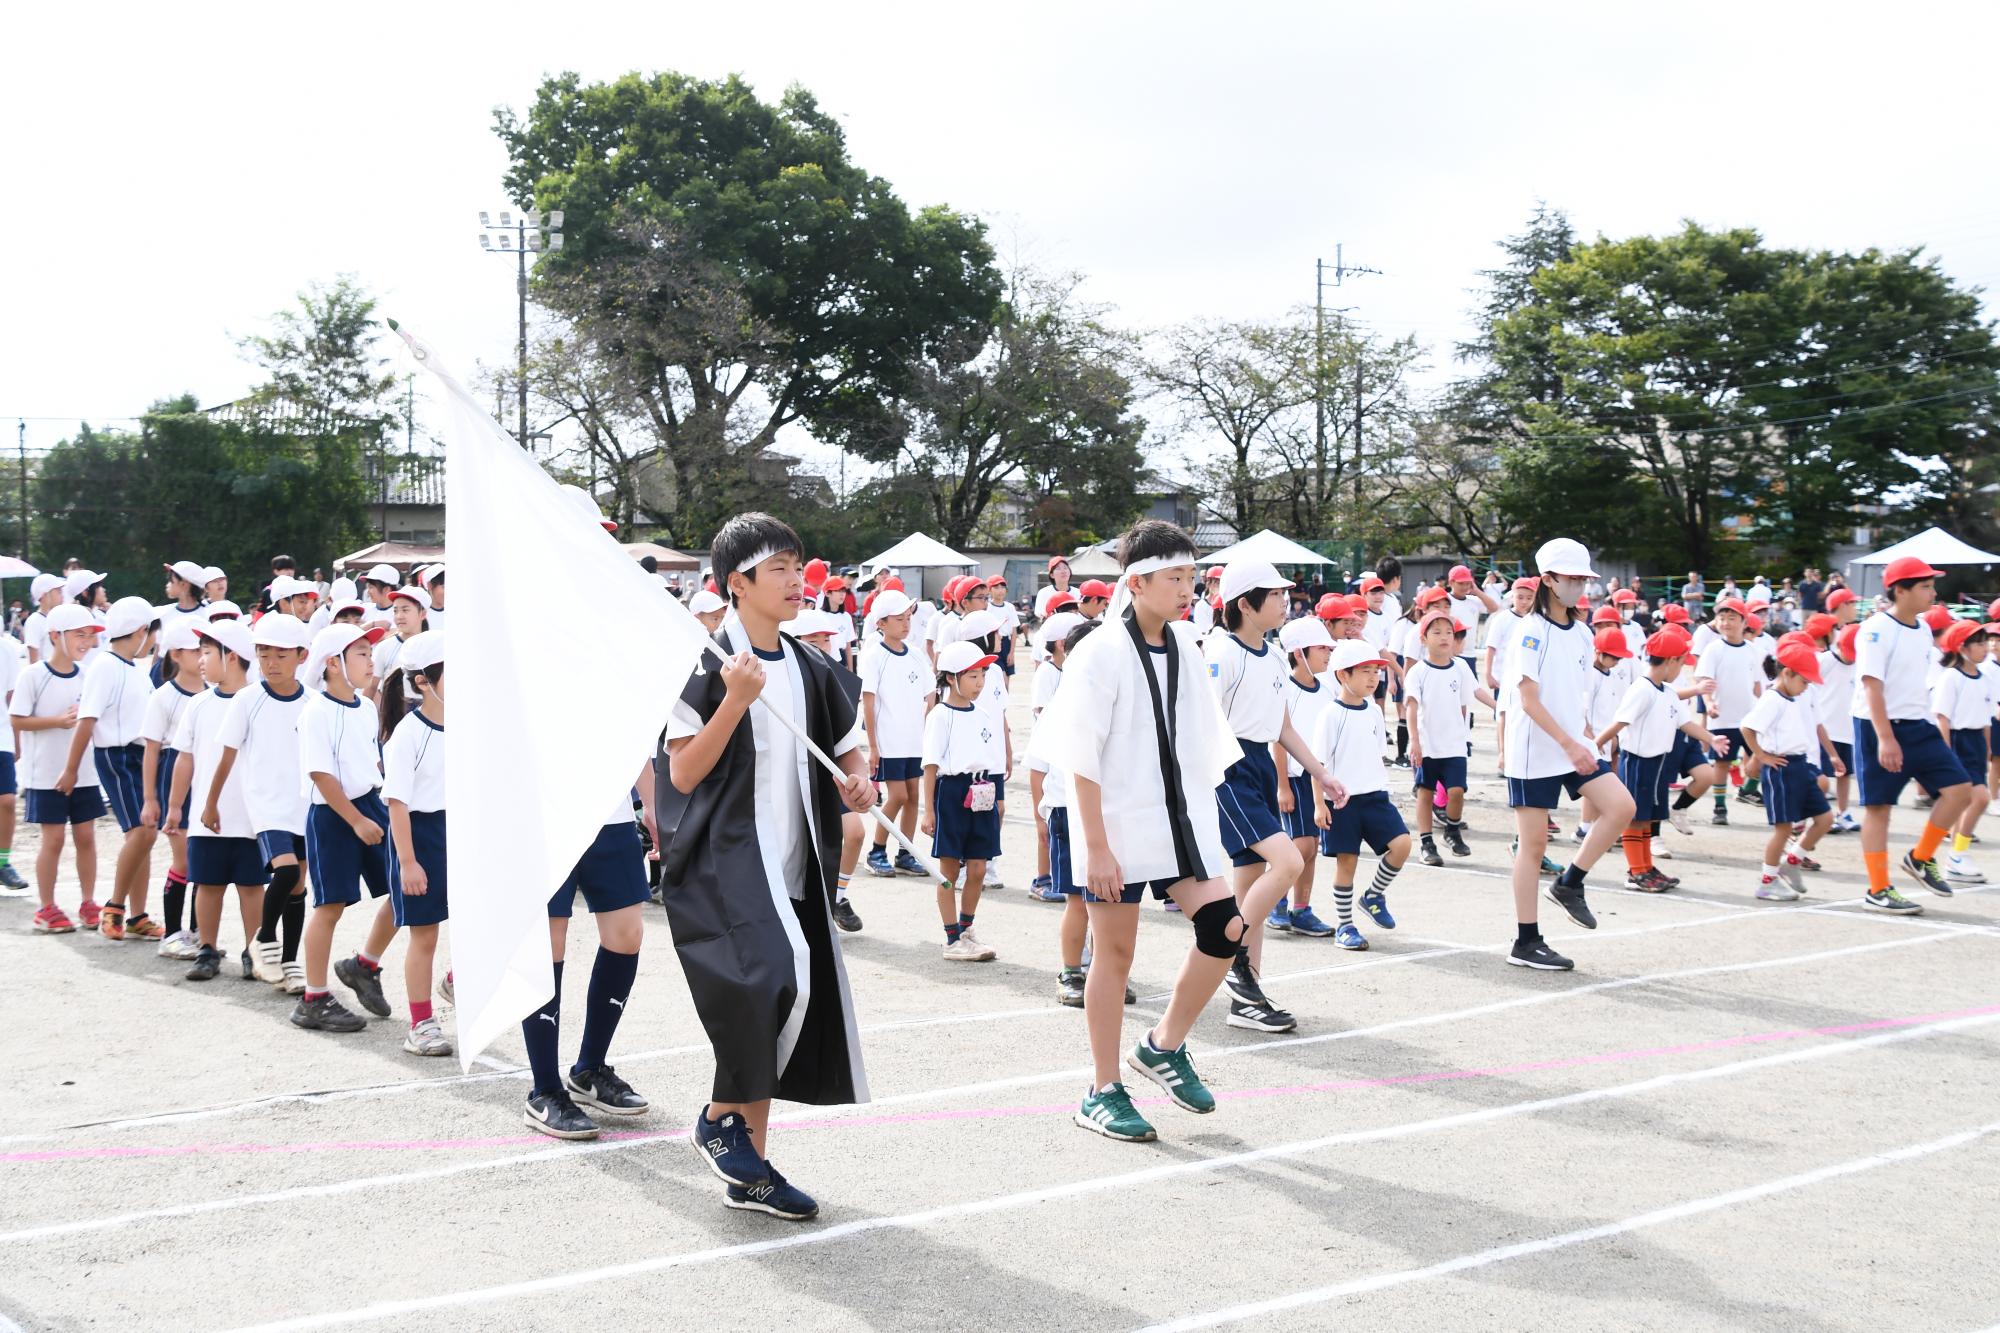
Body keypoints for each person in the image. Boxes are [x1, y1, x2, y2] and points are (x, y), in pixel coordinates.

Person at [1031, 520, 1294, 1144]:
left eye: (1191, 577)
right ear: (1136, 582)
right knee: (1115, 955)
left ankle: (1163, 1045)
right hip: (1111, 822)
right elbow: (1080, 756)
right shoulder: (1100, 650)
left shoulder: (1185, 644)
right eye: (1174, 577)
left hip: (1176, 818)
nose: (1186, 589)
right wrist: (1097, 848)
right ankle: (1101, 1090)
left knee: (1225, 928)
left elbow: (1203, 741)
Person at [659, 513, 875, 1219]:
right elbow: (682, 772)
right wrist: (734, 703)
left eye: (795, 565)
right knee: (770, 979)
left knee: (784, 997)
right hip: (725, 861)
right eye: (777, 568)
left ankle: (747, 1167)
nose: (794, 579)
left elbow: (848, 746)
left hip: (795, 859)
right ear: (737, 583)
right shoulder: (707, 663)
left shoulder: (811, 665)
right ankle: (719, 1120)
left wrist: (859, 780)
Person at [1205, 560, 1346, 1032]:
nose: (1286, 601)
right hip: (1229, 768)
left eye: (1285, 594)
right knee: (1289, 862)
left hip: (1261, 765)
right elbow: (1202, 722)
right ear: (1245, 605)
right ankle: (1232, 957)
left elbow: (1283, 727)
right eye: (1275, 595)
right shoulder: (1221, 650)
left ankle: (1247, 998)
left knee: (1251, 886)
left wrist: (1322, 774)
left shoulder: (1272, 655)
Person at [1499, 539, 1637, 971]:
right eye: (1572, 578)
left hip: (1573, 743)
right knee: (1533, 845)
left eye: (1583, 578)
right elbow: (1528, 700)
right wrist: (1569, 743)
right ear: (1548, 580)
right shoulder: (1530, 630)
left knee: (1622, 806)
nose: (1580, 585)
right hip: (1534, 748)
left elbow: (1576, 696)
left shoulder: (1582, 631)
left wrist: (1586, 737)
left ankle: (1570, 882)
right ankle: (1526, 942)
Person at [1850, 556, 1972, 913]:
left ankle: (1920, 858)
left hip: (1919, 724)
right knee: (1879, 808)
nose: (1933, 593)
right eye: (1925, 586)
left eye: (1933, 585)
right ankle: (1878, 889)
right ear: (1900, 591)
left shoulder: (1921, 629)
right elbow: (1872, 687)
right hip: (1878, 726)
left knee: (1960, 790)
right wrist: (1886, 738)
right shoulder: (1875, 629)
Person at [292, 624, 394, 1034]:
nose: (371, 660)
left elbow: (372, 763)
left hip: (370, 804)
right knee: (330, 906)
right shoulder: (316, 712)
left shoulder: (366, 707)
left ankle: (364, 965)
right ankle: (313, 999)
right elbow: (320, 774)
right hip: (333, 815)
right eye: (362, 653)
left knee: (407, 887)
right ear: (333, 663)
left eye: (370, 653)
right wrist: (355, 820)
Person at [206, 613, 315, 993]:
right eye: (264, 654)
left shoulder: (314, 702)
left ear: (302, 656)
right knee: (285, 873)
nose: (271, 663)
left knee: (298, 887)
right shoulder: (247, 700)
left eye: (281, 655)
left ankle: (290, 964)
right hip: (267, 807)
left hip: (305, 806)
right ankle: (264, 938)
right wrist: (210, 803)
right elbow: (226, 756)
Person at [170, 618, 267, 982]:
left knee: (251, 887)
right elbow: (185, 758)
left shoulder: (259, 701)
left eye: (207, 653)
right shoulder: (198, 704)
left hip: (251, 815)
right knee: (208, 885)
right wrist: (176, 806)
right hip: (206, 817)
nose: (200, 661)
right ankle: (207, 949)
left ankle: (254, 950)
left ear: (232, 657)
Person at [64, 597, 162, 941]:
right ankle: (115, 907)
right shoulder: (104, 666)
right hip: (116, 756)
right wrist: (71, 769)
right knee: (141, 832)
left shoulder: (135, 669)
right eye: (153, 634)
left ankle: (138, 915)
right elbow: (87, 720)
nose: (154, 642)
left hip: (140, 756)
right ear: (141, 631)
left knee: (145, 834)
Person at [1598, 627, 1724, 892]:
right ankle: (1636, 871)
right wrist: (1596, 745)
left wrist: (1711, 739)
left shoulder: (1667, 692)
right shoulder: (1642, 689)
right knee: (1635, 817)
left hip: (1657, 764)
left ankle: (1645, 867)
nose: (1681, 670)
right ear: (1670, 661)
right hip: (1638, 762)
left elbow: (1686, 723)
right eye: (1681, 663)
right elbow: (1619, 722)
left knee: (1648, 817)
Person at [1311, 638, 1410, 952]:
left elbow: (1377, 753)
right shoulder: (1330, 714)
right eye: (1365, 671)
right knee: (1347, 863)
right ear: (1343, 674)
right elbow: (1317, 764)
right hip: (1342, 802)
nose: (1373, 678)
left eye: (1376, 671)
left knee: (1402, 845)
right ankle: (1345, 926)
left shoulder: (1374, 711)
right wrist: (1319, 804)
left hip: (1375, 797)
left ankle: (1373, 895)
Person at [14, 604, 106, 932]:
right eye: (79, 635)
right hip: (46, 774)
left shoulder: (89, 674)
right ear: (55, 636)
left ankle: (88, 902)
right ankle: (47, 907)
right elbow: (17, 719)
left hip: (85, 772)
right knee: (53, 840)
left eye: (89, 635)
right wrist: (57, 721)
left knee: (86, 837)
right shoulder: (33, 675)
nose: (86, 642)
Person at [381, 630, 452, 1056]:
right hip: (419, 838)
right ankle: (421, 1024)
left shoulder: (469, 725)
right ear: (424, 681)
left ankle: (457, 982)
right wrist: (407, 861)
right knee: (424, 936)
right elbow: (397, 804)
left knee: (483, 918)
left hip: (458, 834)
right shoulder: (408, 734)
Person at [921, 640, 1006, 960]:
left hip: (983, 792)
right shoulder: (940, 716)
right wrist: (928, 811)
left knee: (979, 868)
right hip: (952, 793)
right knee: (949, 871)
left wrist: (998, 800)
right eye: (972, 676)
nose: (979, 683)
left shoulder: (983, 715)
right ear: (951, 678)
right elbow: (930, 766)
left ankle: (967, 928)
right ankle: (952, 938)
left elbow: (993, 761)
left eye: (983, 675)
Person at [1740, 643, 1835, 902]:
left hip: (1800, 765)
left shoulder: (1791, 697)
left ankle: (1792, 861)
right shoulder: (1772, 699)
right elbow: (1747, 728)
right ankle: (1767, 882)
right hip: (1781, 769)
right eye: (1804, 681)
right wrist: (1761, 756)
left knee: (1825, 818)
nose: (1806, 687)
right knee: (1783, 830)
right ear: (1787, 673)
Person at [792, 609, 865, 932]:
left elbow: (849, 744)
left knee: (855, 832)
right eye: (813, 640)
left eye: (826, 640)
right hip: (796, 779)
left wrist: (860, 776)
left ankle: (837, 896)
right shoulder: (781, 676)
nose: (822, 646)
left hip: (832, 774)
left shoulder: (836, 678)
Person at [1266, 616, 1338, 935]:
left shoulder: (1327, 691)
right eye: (1322, 648)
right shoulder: (1286, 689)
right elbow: (1279, 739)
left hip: (1315, 780)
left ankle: (1302, 909)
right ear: (1299, 653)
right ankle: (1275, 901)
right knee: (1301, 846)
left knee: (1312, 847)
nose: (1328, 654)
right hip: (1293, 779)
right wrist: (1282, 786)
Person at [1407, 612, 1495, 866]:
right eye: (1436, 632)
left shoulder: (1460, 667)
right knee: (1425, 793)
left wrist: (1499, 707)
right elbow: (1411, 706)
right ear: (1423, 639)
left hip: (1455, 743)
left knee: (1457, 791)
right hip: (1428, 745)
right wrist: (1414, 741)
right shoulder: (1418, 671)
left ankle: (1452, 831)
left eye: (1448, 632)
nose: (1444, 637)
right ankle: (1426, 842)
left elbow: (1475, 691)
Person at [141, 621, 206, 958]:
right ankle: (171, 934)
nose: (203, 657)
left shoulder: (213, 691)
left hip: (205, 774)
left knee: (204, 858)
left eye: (206, 650)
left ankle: (198, 931)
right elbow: (151, 750)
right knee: (184, 859)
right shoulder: (163, 696)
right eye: (196, 651)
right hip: (173, 774)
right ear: (176, 655)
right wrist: (150, 799)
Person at [859, 589, 934, 880]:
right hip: (888, 740)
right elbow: (868, 702)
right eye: (899, 619)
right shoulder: (874, 655)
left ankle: (905, 853)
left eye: (908, 618)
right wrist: (873, 746)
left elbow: (930, 693)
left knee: (913, 795)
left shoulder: (915, 654)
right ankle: (876, 851)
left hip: (914, 739)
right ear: (881, 623)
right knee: (898, 795)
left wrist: (928, 728)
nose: (906, 624)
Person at [1931, 621, 1992, 885]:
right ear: (1962, 647)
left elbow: (1986, 720)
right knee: (1981, 799)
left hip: (1976, 742)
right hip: (1957, 740)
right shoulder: (1951, 677)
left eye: (1985, 642)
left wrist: (1987, 749)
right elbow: (1942, 718)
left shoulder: (1985, 679)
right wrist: (1946, 753)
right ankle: (1958, 854)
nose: (1985, 648)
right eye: (1979, 643)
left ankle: (1956, 856)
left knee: (1968, 801)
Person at [21, 573, 64, 665]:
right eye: (58, 591)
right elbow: (33, 661)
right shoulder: (34, 621)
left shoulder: (58, 618)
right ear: (45, 595)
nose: (62, 595)